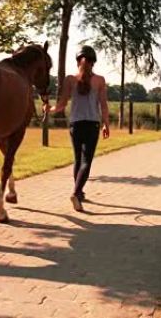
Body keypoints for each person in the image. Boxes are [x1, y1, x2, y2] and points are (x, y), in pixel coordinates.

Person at [44, 45, 110, 212]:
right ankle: (76, 192)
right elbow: (103, 105)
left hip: (75, 124)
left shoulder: (69, 79)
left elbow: (62, 105)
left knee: (78, 160)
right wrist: (106, 124)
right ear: (93, 62)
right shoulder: (100, 80)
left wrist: (49, 109)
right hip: (92, 124)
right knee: (86, 161)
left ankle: (79, 193)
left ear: (77, 61)